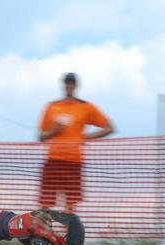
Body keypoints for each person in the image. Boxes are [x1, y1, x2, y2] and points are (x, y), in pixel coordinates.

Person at [37, 73, 114, 213]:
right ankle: (44, 227)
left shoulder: (85, 107)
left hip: (74, 161)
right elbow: (41, 136)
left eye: (72, 83)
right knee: (45, 203)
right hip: (53, 160)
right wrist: (53, 131)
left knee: (71, 204)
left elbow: (109, 128)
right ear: (63, 85)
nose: (69, 86)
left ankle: (68, 227)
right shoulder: (51, 106)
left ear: (76, 85)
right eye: (67, 83)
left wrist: (86, 137)